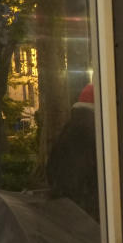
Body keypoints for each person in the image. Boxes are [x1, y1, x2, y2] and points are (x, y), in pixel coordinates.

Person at [45, 83, 99, 219]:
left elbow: (51, 168)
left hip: (67, 205)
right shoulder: (96, 134)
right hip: (87, 208)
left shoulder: (68, 130)